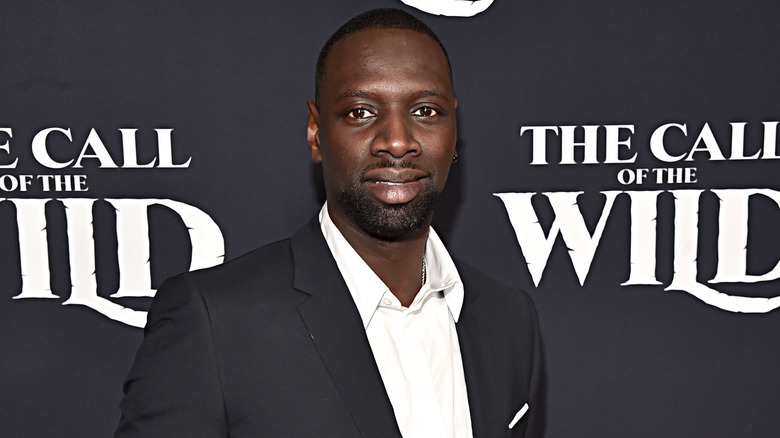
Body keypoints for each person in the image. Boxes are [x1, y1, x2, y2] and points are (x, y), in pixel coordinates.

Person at [116, 8, 543, 438]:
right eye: (360, 112)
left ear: (454, 130)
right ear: (316, 133)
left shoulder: (507, 319)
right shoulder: (214, 320)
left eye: (425, 110)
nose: (396, 140)